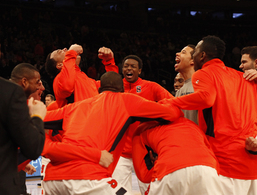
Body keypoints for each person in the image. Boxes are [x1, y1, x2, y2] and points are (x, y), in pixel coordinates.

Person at [160, 35, 257, 195]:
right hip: (254, 165)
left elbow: (206, 98)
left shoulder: (204, 74)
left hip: (225, 162)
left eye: (195, 53)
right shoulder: (243, 77)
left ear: (202, 56)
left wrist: (170, 102)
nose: (193, 57)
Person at [41, 71, 182, 195]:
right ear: (122, 89)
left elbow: (40, 118)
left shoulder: (75, 107)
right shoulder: (126, 100)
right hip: (87, 176)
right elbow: (171, 113)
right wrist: (171, 103)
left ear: (100, 89)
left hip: (52, 180)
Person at [113, 54, 174, 194]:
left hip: (144, 151)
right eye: (126, 66)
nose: (129, 69)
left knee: (150, 190)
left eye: (133, 66)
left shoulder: (150, 87)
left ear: (139, 71)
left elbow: (172, 103)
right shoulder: (116, 88)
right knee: (117, 191)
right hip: (121, 152)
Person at [132, 117, 222, 195]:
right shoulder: (190, 123)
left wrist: (156, 164)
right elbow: (210, 152)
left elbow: (143, 175)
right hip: (207, 168)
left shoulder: (140, 130)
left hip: (170, 168)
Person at [0, 76, 46, 194]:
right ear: (24, 83)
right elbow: (33, 148)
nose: (42, 88)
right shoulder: (9, 93)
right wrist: (37, 117)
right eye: (38, 83)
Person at [45, 45, 118, 108]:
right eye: (60, 52)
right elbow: (67, 87)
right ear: (60, 65)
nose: (65, 49)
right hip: (79, 123)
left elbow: (112, 86)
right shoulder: (58, 80)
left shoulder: (85, 78)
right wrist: (71, 53)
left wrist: (109, 62)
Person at [174, 44, 198, 124]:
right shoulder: (179, 91)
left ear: (192, 61)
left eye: (183, 53)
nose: (177, 54)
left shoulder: (201, 85)